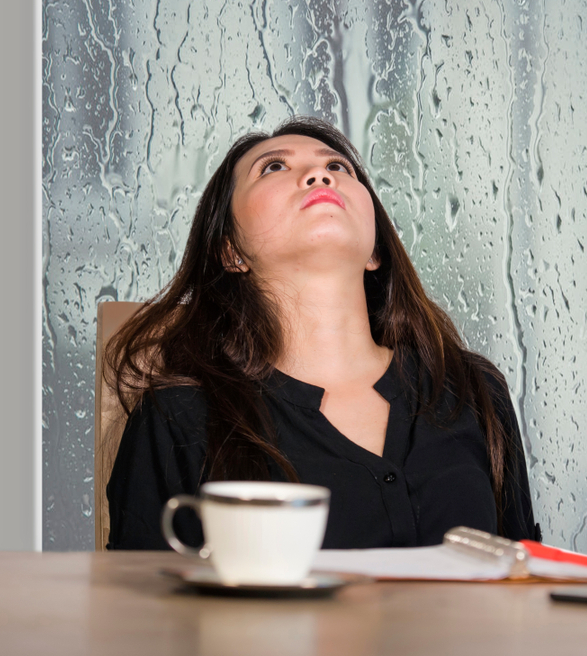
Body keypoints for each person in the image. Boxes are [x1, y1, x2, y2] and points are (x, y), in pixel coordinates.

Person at [105, 115, 540, 550]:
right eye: (273, 167)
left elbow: (529, 588)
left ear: (374, 251)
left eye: (339, 168)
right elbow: (143, 613)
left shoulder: (473, 390)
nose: (319, 175)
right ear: (231, 251)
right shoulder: (177, 418)